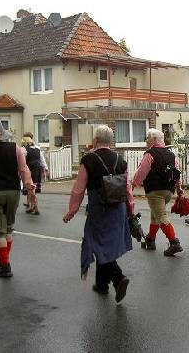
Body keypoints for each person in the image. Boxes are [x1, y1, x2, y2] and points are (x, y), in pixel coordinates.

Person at [63, 125, 134, 303]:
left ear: (95, 140)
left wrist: (71, 211)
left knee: (96, 244)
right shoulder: (120, 159)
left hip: (98, 209)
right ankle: (101, 284)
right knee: (106, 245)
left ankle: (118, 278)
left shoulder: (88, 160)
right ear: (111, 141)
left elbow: (78, 189)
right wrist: (131, 211)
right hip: (118, 209)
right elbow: (128, 189)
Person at [0, 116, 36, 277]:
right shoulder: (16, 148)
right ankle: (4, 260)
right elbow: (24, 170)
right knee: (8, 227)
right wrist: (30, 188)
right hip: (13, 191)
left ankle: (4, 266)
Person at [132, 129, 184, 256]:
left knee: (161, 216)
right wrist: (179, 189)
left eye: (148, 138)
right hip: (168, 191)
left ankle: (174, 242)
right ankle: (150, 239)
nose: (146, 141)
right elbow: (176, 173)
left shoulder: (150, 154)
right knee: (155, 214)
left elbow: (142, 172)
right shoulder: (171, 155)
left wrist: (134, 184)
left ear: (154, 140)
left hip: (155, 190)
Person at [21, 136, 42, 215]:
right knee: (32, 189)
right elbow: (41, 160)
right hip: (37, 170)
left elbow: (22, 162)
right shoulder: (37, 149)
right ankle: (31, 206)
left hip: (29, 170)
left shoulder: (24, 150)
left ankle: (35, 207)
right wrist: (44, 170)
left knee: (31, 189)